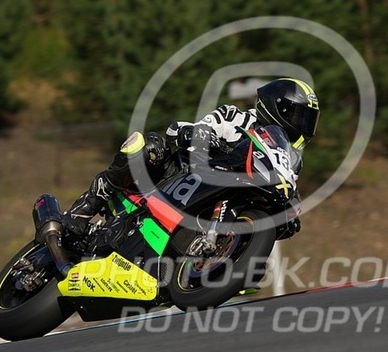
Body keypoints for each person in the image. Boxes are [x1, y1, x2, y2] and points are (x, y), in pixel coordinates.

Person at [62, 77, 320, 242]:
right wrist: (196, 134)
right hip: (182, 175)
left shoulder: (290, 159)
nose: (304, 126)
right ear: (277, 108)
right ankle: (84, 209)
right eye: (300, 117)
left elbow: (287, 189)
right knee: (150, 145)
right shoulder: (237, 118)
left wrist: (290, 213)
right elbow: (194, 127)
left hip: (227, 196)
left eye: (309, 120)